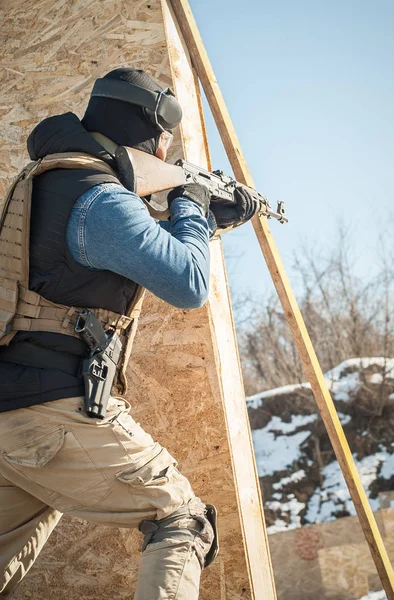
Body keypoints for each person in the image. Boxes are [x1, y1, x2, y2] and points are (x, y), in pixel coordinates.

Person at [0, 68, 259, 599]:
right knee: (182, 519)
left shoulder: (53, 180)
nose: (166, 153)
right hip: (52, 413)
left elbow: (126, 251)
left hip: (13, 413)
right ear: (146, 129)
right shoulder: (101, 198)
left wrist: (205, 219)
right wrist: (191, 202)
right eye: (164, 141)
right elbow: (188, 282)